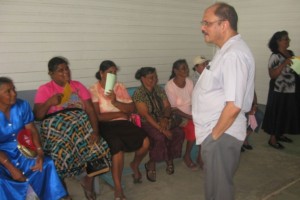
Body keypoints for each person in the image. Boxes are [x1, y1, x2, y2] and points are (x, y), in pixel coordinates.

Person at [192, 3, 255, 200]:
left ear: (224, 24)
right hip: (218, 132)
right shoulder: (225, 51)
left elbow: (234, 105)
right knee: (215, 188)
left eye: (207, 23)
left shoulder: (233, 55)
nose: (203, 27)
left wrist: (214, 136)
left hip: (221, 134)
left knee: (219, 192)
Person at [33, 56, 111, 200]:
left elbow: (90, 110)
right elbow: (37, 116)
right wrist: (49, 102)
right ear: (51, 73)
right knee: (58, 155)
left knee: (98, 149)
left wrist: (95, 130)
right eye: (60, 70)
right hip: (57, 128)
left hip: (81, 126)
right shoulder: (45, 89)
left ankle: (88, 181)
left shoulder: (77, 86)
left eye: (66, 68)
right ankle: (63, 192)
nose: (65, 72)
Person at [89, 60, 149, 200]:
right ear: (101, 73)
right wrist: (119, 113)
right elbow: (98, 116)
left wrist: (115, 101)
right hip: (105, 124)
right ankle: (118, 187)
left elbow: (131, 109)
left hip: (122, 123)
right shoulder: (94, 89)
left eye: (115, 72)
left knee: (145, 141)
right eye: (110, 72)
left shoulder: (119, 87)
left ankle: (134, 164)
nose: (113, 75)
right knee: (117, 148)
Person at [0, 77, 66, 200]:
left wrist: (40, 153)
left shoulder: (22, 105)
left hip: (23, 149)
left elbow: (31, 130)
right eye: (8, 91)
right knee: (2, 181)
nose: (14, 93)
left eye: (14, 89)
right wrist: (10, 166)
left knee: (46, 164)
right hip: (2, 156)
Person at [132, 67, 185, 182]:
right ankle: (151, 163)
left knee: (179, 133)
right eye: (151, 78)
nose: (154, 80)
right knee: (159, 137)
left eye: (155, 77)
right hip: (147, 123)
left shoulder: (159, 89)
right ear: (143, 79)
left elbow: (167, 106)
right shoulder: (139, 94)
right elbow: (145, 115)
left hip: (162, 119)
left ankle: (169, 158)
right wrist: (163, 129)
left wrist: (165, 119)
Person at [262, 30, 300, 149]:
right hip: (278, 91)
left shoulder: (290, 52)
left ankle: (281, 134)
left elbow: (296, 70)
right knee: (277, 114)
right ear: (278, 41)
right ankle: (273, 139)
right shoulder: (275, 56)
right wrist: (284, 63)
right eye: (286, 39)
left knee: (286, 114)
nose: (288, 41)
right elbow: (272, 75)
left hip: (291, 90)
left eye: (288, 38)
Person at [165, 59, 203, 170]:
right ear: (176, 71)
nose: (186, 70)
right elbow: (173, 109)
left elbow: (195, 100)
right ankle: (187, 156)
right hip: (178, 116)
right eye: (183, 68)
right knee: (193, 126)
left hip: (192, 113)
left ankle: (200, 156)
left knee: (205, 124)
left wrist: (198, 113)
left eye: (186, 67)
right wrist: (191, 117)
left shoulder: (189, 82)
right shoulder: (170, 86)